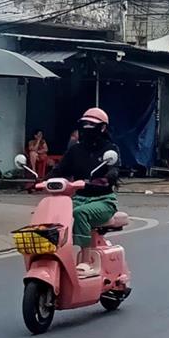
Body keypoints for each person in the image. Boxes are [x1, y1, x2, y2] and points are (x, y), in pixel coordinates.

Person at [54, 107, 120, 253]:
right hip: (78, 198)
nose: (87, 128)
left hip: (103, 200)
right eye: (85, 124)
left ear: (102, 128)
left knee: (79, 213)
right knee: (55, 214)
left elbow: (114, 169)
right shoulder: (75, 150)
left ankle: (86, 255)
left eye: (92, 125)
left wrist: (109, 176)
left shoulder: (110, 149)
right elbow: (59, 170)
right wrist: (40, 181)